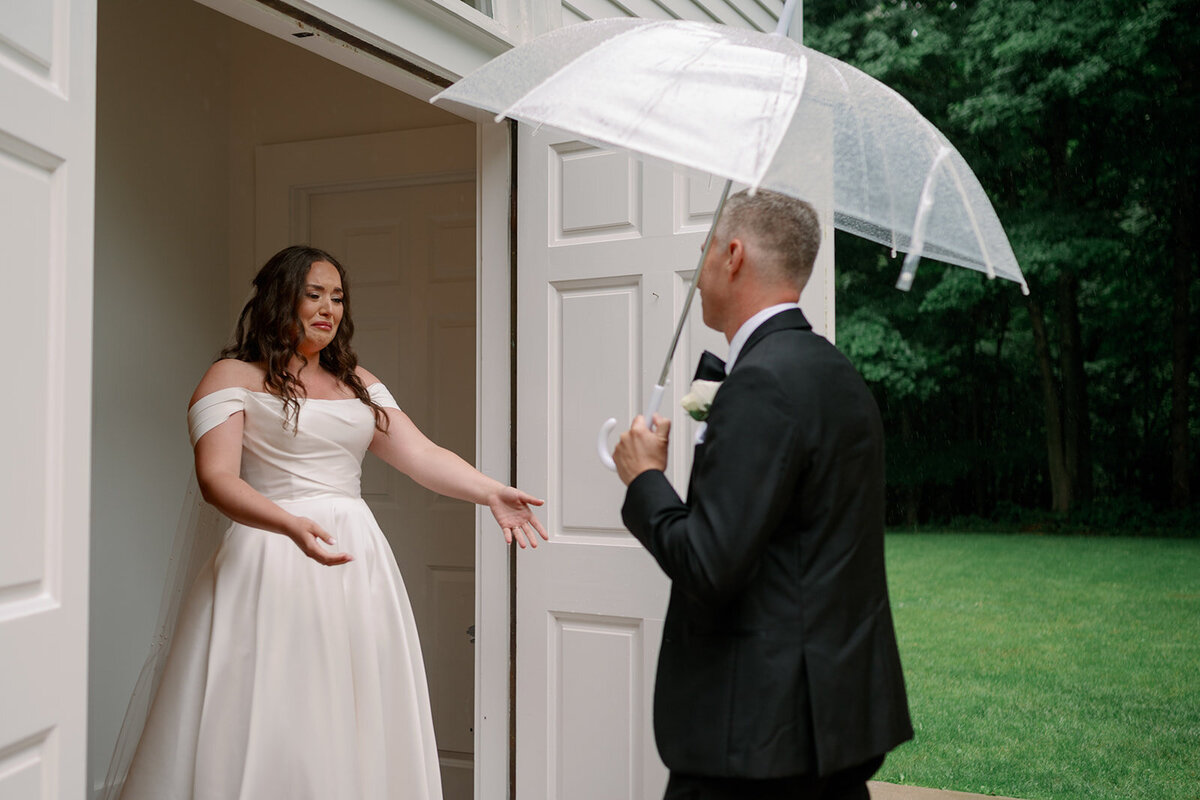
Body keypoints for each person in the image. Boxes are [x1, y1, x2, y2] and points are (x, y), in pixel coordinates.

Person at [112, 245, 547, 800]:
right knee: (276, 711)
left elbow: (423, 454)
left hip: (355, 564)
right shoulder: (231, 375)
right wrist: (290, 525)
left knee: (353, 704)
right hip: (269, 556)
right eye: (313, 294)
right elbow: (217, 479)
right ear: (278, 299)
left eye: (337, 297)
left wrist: (491, 492)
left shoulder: (356, 381)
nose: (328, 308)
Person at [613, 190, 912, 800]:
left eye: (702, 253)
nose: (697, 275)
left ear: (733, 255)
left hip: (754, 739)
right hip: (830, 725)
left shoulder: (761, 385)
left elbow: (709, 562)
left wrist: (644, 480)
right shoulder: (838, 375)